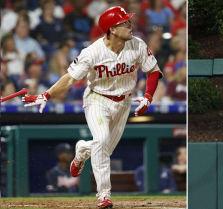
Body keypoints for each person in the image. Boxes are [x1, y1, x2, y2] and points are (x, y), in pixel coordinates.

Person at [22, 6, 162, 208]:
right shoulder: (92, 52)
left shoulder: (137, 45)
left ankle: (82, 150)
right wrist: (46, 94)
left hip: (123, 102)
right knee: (102, 141)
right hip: (98, 99)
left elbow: (154, 71)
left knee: (103, 148)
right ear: (112, 29)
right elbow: (70, 78)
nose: (130, 25)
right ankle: (104, 195)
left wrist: (148, 97)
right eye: (124, 22)